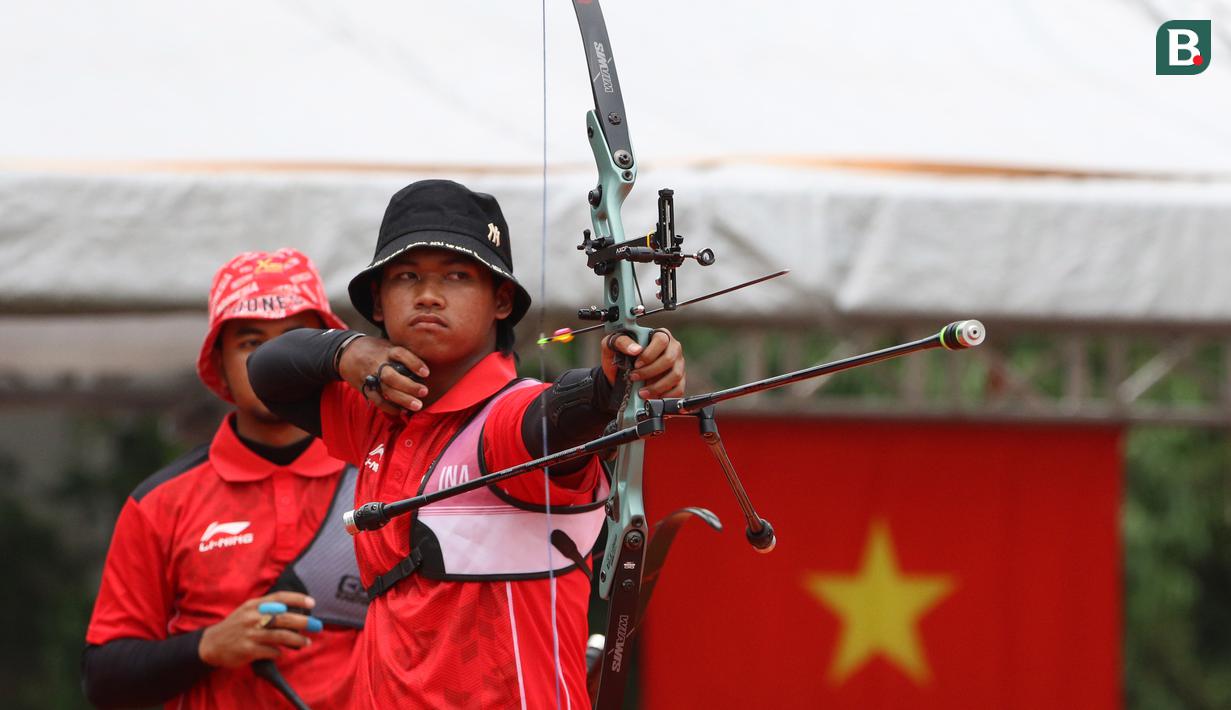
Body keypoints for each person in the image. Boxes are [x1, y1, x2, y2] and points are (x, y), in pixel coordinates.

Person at [247, 179, 686, 707]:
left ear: (501, 301)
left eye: (457, 276)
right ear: (379, 305)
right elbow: (266, 371)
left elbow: (555, 418)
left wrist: (610, 385)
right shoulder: (378, 413)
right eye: (407, 276)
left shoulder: (509, 417)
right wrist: (348, 350)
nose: (428, 294)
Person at [83, 249, 366, 708]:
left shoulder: (385, 477)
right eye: (252, 343)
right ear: (219, 363)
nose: (276, 362)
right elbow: (104, 679)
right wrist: (208, 645)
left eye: (296, 342)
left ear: (327, 357)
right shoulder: (160, 503)